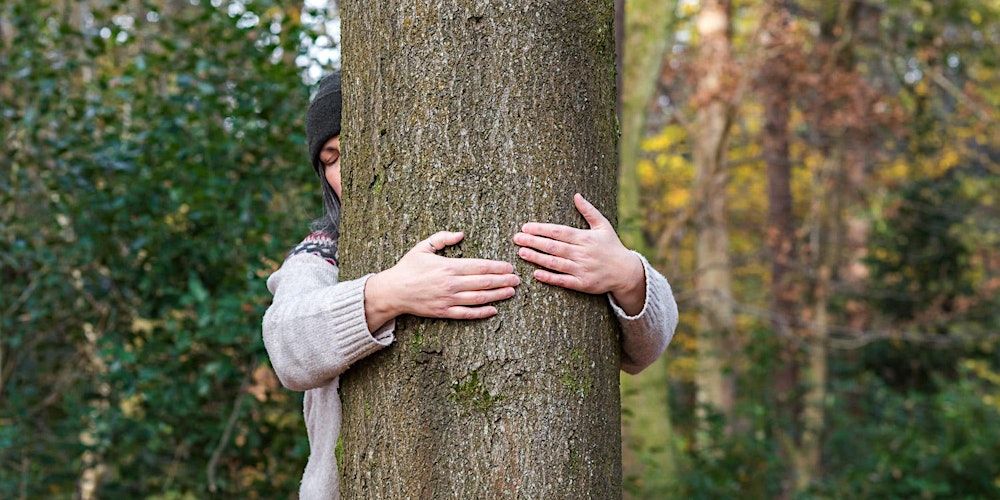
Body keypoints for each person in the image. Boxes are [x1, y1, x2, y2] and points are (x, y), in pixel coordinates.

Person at [261, 71, 679, 499]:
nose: (348, 166)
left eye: (358, 145)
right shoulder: (320, 255)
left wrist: (628, 275)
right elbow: (287, 347)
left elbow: (645, 351)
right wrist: (387, 294)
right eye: (332, 157)